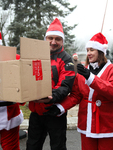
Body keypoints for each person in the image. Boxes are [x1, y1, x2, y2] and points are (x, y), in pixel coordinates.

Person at [45, 32, 113, 150]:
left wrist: (90, 78)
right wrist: (60, 107)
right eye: (87, 50)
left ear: (101, 51)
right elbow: (76, 95)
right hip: (86, 120)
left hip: (105, 121)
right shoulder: (83, 72)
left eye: (92, 50)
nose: (89, 53)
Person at [26, 18, 75, 150]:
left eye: (57, 39)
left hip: (55, 112)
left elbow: (65, 85)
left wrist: (51, 97)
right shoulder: (35, 56)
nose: (53, 42)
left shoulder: (66, 59)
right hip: (36, 112)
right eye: (50, 38)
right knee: (32, 146)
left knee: (57, 146)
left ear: (62, 40)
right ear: (45, 39)